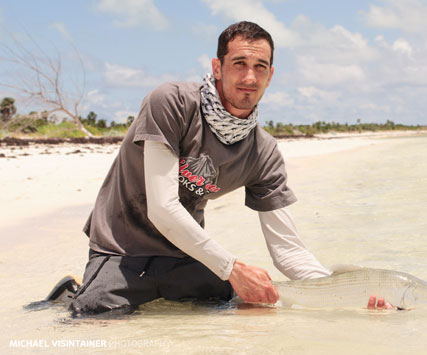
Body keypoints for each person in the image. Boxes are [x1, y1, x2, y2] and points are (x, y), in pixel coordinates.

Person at [67, 21, 332, 316]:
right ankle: (73, 291)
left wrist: (348, 294)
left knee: (248, 308)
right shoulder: (171, 102)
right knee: (92, 317)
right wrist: (231, 267)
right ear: (217, 68)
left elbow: (289, 251)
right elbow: (162, 208)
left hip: (184, 254)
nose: (249, 76)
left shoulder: (263, 152)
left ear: (270, 76)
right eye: (239, 63)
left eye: (260, 66)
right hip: (122, 249)